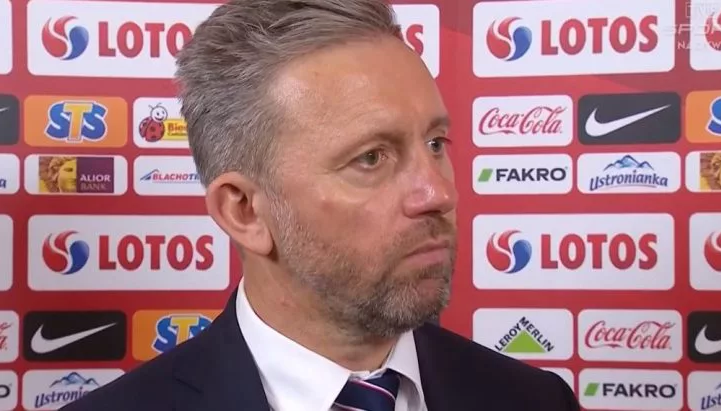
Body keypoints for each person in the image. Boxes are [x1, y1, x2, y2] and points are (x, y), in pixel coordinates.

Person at [60, 0, 580, 410]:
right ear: (244, 211)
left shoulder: (535, 400)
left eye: (436, 143)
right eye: (371, 158)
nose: (438, 194)